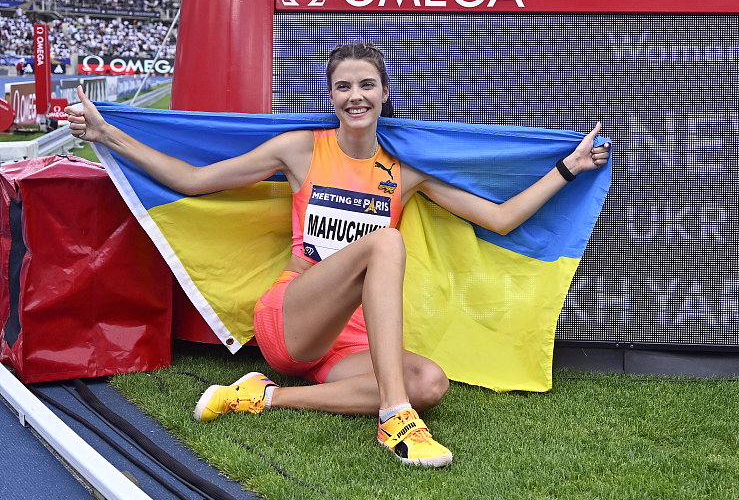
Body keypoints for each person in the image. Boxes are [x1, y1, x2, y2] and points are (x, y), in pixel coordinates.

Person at [66, 42, 610, 468]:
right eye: (344, 86)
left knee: (431, 383)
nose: (356, 95)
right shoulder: (301, 148)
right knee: (387, 241)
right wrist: (108, 134)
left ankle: (262, 397)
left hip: (345, 343)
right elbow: (193, 179)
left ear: (384, 93)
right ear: (330, 96)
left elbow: (500, 218)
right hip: (291, 318)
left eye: (367, 85)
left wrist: (569, 169)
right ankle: (395, 418)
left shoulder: (405, 174)